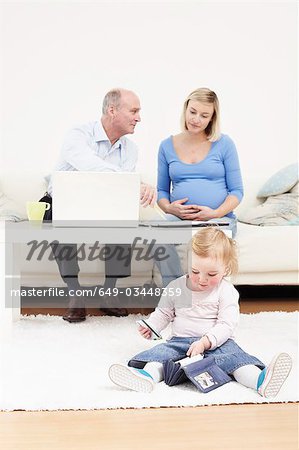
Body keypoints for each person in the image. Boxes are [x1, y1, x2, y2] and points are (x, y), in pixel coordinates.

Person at [109, 228, 292, 397]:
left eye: (211, 275)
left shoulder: (226, 291)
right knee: (160, 357)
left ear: (226, 269)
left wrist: (205, 342)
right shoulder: (176, 287)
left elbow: (226, 325)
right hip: (179, 343)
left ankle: (260, 381)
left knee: (238, 361)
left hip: (217, 344)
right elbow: (164, 313)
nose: (202, 280)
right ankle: (146, 377)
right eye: (195, 271)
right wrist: (152, 327)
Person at [43, 88, 158, 323]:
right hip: (63, 202)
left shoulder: (130, 149)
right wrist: (133, 182)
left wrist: (137, 184)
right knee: (58, 219)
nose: (139, 118)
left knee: (124, 217)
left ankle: (109, 291)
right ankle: (75, 293)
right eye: (134, 111)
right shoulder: (78, 135)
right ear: (112, 110)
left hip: (103, 203)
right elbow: (90, 166)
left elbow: (120, 187)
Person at [157, 88, 244, 238]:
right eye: (192, 112)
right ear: (185, 110)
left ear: (212, 118)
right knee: (156, 233)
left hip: (219, 219)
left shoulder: (224, 143)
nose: (196, 119)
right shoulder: (166, 146)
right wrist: (170, 208)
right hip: (179, 219)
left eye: (204, 116)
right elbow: (161, 191)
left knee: (208, 243)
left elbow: (237, 191)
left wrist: (215, 213)